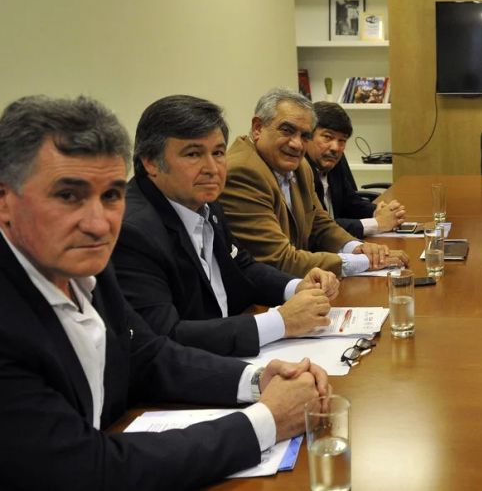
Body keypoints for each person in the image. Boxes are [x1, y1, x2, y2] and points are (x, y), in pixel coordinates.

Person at [0, 95, 329, 490]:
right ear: (5, 200)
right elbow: (87, 469)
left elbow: (148, 355)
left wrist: (260, 380)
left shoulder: (86, 267)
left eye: (110, 195)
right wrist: (266, 421)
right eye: (68, 196)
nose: (98, 223)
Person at [113, 95, 341, 357]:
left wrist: (296, 286)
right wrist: (280, 322)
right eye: (193, 154)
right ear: (150, 162)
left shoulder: (205, 202)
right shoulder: (133, 231)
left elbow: (241, 267)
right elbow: (165, 338)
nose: (213, 168)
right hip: (187, 381)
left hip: (227, 355)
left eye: (218, 152)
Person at [218, 87, 408, 277]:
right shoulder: (243, 172)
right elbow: (280, 259)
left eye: (304, 136)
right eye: (287, 130)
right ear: (258, 128)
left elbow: (319, 224)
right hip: (262, 296)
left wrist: (358, 248)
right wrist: (367, 261)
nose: (297, 144)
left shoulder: (299, 166)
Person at [306, 101, 406, 239]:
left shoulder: (333, 162)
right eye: (327, 137)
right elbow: (317, 226)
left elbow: (350, 202)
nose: (335, 147)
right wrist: (377, 223)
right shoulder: (299, 172)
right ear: (307, 136)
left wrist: (377, 211)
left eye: (342, 141)